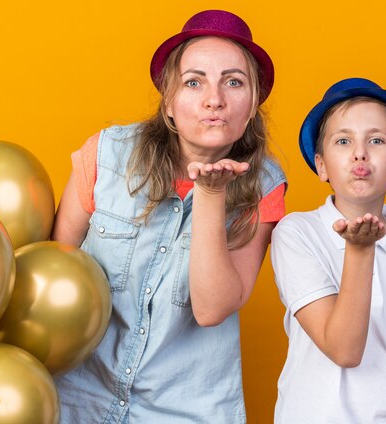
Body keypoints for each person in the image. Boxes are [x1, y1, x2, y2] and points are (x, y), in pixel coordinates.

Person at [50, 9, 286, 423]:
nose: (214, 99)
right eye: (194, 82)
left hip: (185, 409)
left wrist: (211, 195)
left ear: (252, 107)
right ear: (169, 103)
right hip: (77, 398)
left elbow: (212, 309)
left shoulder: (265, 185)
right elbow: (53, 272)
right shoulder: (107, 155)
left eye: (234, 81)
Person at [271, 78, 386, 423]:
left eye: (376, 140)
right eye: (343, 140)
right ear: (321, 166)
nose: (360, 153)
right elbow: (344, 350)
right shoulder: (297, 233)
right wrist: (360, 251)